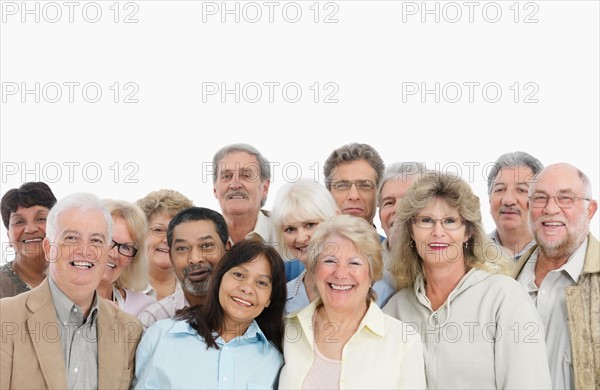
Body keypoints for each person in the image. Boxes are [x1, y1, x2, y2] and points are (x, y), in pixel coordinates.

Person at [382, 171, 552, 389]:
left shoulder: (505, 298)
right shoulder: (396, 310)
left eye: (450, 221)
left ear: (467, 232)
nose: (438, 232)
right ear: (411, 232)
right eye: (426, 220)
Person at [1, 193, 143, 389]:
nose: (85, 250)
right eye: (71, 238)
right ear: (49, 248)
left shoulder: (130, 331)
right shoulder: (5, 318)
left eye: (96, 240)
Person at [279, 215, 427, 389]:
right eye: (330, 261)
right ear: (314, 269)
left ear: (372, 274)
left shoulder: (404, 342)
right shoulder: (287, 328)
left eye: (354, 263)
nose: (341, 274)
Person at [133, 240, 286, 389]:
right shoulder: (161, 336)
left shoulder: (277, 360)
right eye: (239, 275)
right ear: (219, 278)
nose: (247, 288)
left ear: (269, 299)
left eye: (261, 283)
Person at [511, 163, 599, 390]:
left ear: (590, 210)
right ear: (529, 207)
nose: (550, 209)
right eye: (540, 198)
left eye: (565, 198)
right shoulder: (503, 281)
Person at [138, 206, 228, 328]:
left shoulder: (249, 307)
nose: (195, 259)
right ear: (170, 256)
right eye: (182, 248)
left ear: (227, 249)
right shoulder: (152, 319)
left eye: (206, 246)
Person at [270, 179, 339, 314]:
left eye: (310, 225)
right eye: (290, 229)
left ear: (335, 218)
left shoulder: (360, 284)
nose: (301, 238)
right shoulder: (279, 299)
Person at [97, 199, 155, 316]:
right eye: (108, 241)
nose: (114, 254)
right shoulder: (57, 300)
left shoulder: (145, 308)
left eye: (125, 247)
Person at [212, 143, 277, 245]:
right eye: (227, 176)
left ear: (265, 187)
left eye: (246, 175)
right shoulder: (201, 238)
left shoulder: (287, 234)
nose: (235, 184)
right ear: (215, 189)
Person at [1, 182, 56, 298]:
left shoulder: (76, 277)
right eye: (19, 222)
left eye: (41, 219)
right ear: (8, 235)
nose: (30, 229)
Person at [136, 189, 193, 300]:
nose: (167, 239)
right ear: (142, 233)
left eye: (176, 232)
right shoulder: (119, 289)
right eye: (159, 230)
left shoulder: (198, 293)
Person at [487, 151, 544, 260]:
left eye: (521, 190)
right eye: (500, 189)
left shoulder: (554, 254)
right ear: (490, 200)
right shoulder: (470, 252)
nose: (508, 200)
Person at [323, 143, 385, 227]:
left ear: (379, 195)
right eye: (342, 186)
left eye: (365, 186)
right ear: (328, 194)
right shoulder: (306, 239)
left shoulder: (399, 240)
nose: (354, 196)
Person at [377, 161, 426, 264]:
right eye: (389, 202)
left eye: (408, 201)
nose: (397, 209)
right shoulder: (364, 265)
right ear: (380, 217)